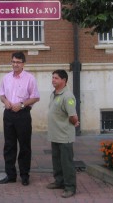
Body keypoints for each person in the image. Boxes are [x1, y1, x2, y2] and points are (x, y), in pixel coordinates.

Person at [0, 51, 40, 186]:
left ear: (23, 64)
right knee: (9, 146)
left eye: (18, 62)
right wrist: (5, 101)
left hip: (23, 115)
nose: (15, 64)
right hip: (9, 114)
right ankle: (10, 175)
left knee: (24, 146)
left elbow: (35, 97)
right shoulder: (6, 78)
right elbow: (2, 94)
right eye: (13, 62)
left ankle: (24, 175)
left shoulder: (30, 78)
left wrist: (22, 105)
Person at [46, 69, 80, 198]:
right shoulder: (54, 94)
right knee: (57, 161)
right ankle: (59, 181)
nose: (53, 80)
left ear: (64, 80)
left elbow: (73, 116)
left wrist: (75, 121)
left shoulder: (68, 96)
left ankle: (70, 187)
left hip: (64, 135)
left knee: (67, 163)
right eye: (53, 77)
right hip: (55, 135)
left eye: (56, 78)